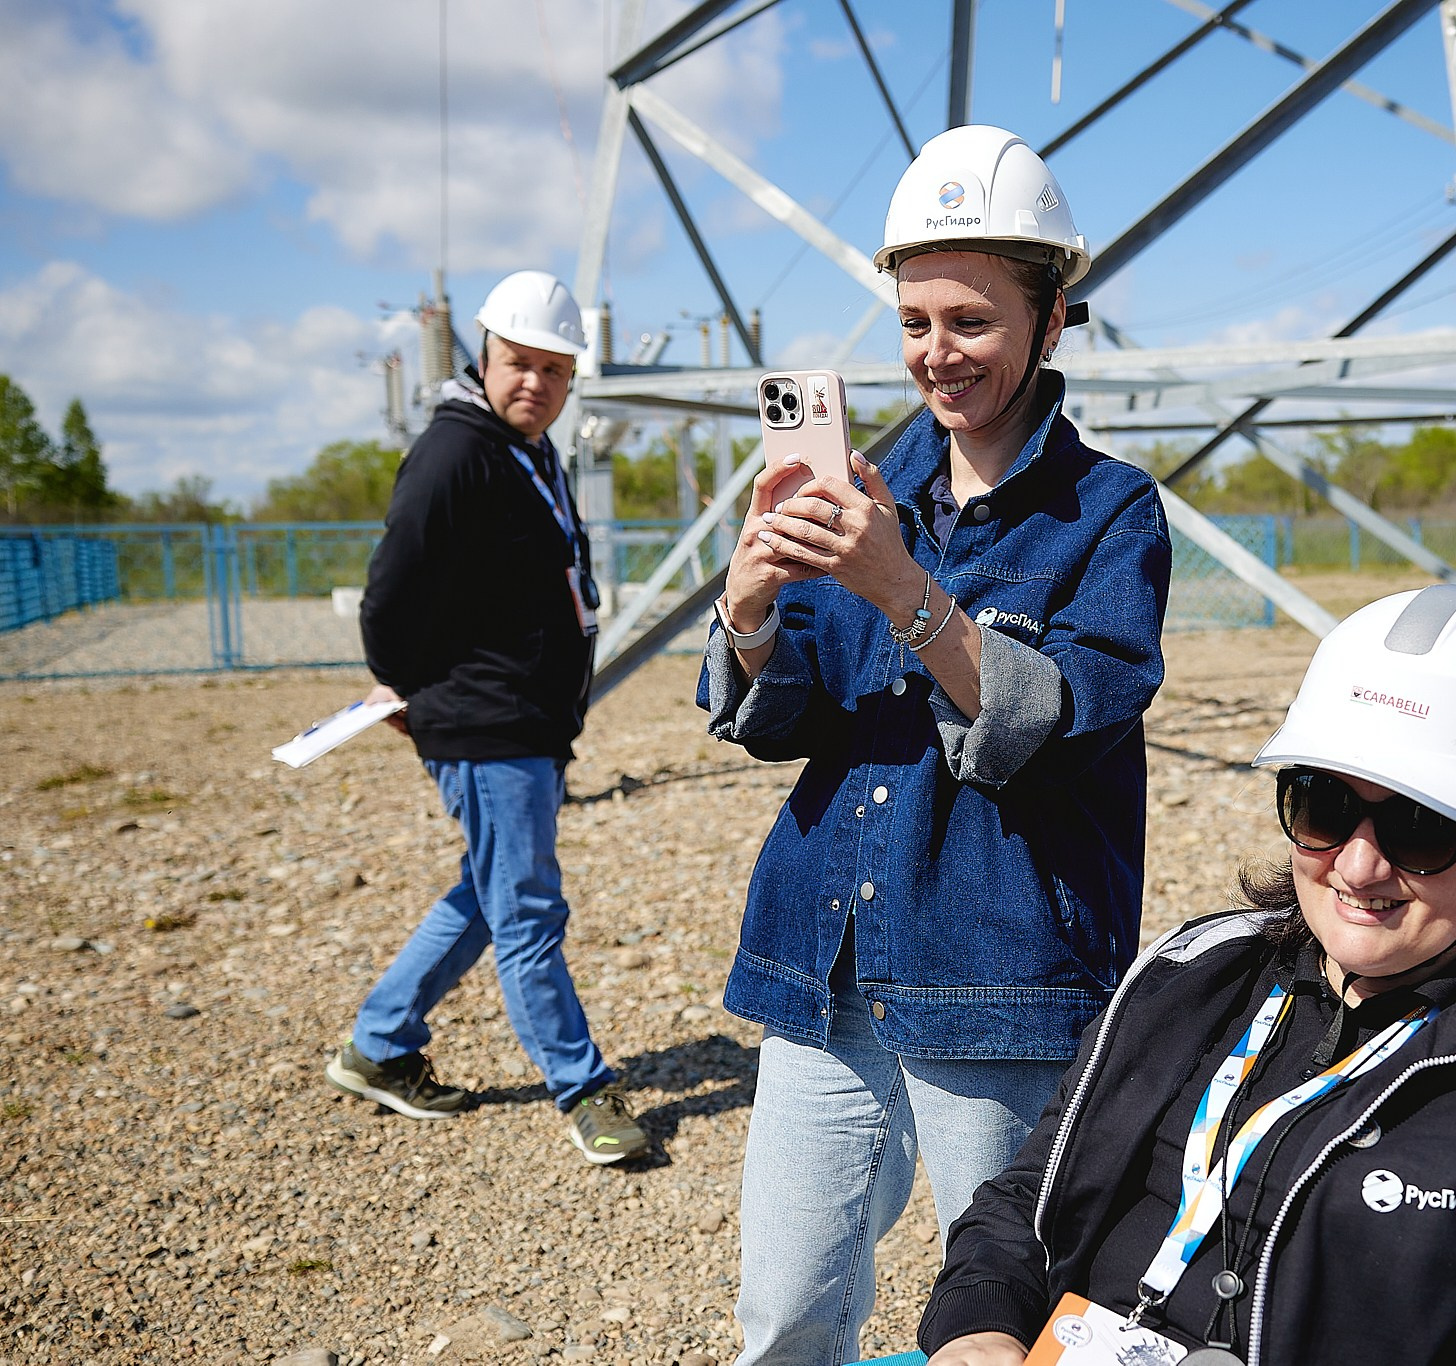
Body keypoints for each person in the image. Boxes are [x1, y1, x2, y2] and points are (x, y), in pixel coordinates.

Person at [918, 585, 1456, 1366]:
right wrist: (980, 1325)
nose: (1361, 865)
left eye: (1423, 827)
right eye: (1325, 807)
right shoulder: (1194, 973)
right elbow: (1031, 1196)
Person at [698, 125, 1171, 1366]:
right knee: (786, 1312)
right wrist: (748, 610)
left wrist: (906, 592)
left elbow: (1052, 726)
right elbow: (788, 712)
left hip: (998, 974)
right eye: (914, 322)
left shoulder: (1108, 512)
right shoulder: (866, 487)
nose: (934, 355)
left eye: (970, 320)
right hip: (826, 960)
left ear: (1052, 319)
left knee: (1010, 1322)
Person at [326, 269, 649, 1166]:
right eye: (517, 364)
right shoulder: (455, 452)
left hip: (526, 719)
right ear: (483, 354)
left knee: (491, 889)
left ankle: (380, 1045)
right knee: (530, 910)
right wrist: (402, 688)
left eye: (553, 370)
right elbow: (390, 591)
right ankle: (584, 1089)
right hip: (484, 719)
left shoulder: (525, 447)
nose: (533, 385)